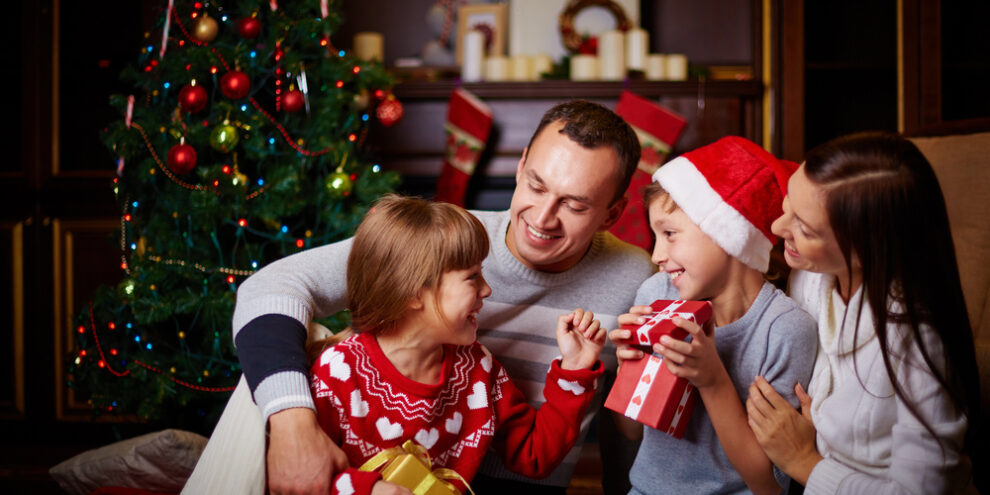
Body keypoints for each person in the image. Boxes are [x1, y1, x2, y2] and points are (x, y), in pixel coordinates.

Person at [182, 100, 656, 495]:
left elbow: (633, 421)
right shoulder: (443, 244)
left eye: (574, 205)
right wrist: (292, 425)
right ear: (521, 164)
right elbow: (269, 288)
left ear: (613, 213)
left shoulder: (638, 278)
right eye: (535, 185)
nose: (544, 217)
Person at [308, 195, 606, 495]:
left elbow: (534, 457)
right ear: (413, 292)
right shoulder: (338, 372)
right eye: (472, 277)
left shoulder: (477, 369)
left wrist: (574, 371)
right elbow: (304, 476)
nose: (487, 289)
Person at [745, 131, 981, 493]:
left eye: (804, 228)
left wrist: (804, 461)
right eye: (787, 203)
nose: (779, 228)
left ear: (866, 247)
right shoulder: (809, 278)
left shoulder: (917, 339)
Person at [608, 136, 818, 494]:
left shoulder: (784, 329)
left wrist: (712, 380)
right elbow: (630, 432)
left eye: (670, 234)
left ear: (728, 235)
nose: (657, 255)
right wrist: (632, 368)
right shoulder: (656, 293)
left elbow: (768, 483)